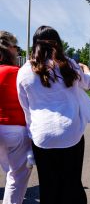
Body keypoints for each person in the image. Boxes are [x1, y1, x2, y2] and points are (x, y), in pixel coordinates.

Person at [17, 26, 90, 204]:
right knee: (72, 184)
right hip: (71, 133)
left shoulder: (24, 71)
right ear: (58, 43)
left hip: (42, 137)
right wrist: (87, 69)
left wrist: (32, 135)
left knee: (48, 187)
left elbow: (26, 109)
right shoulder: (69, 64)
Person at [0, 31, 32, 204]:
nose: (18, 52)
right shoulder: (17, 72)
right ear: (9, 49)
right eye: (17, 48)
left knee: (10, 173)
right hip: (14, 130)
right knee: (16, 178)